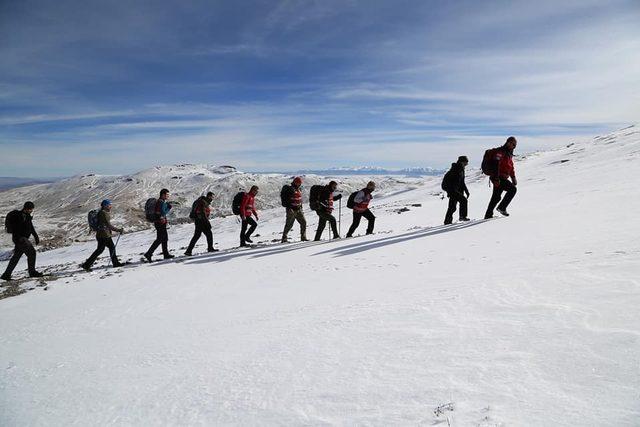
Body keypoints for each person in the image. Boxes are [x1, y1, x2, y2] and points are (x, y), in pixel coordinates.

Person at [1, 201, 42, 281]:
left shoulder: (27, 216)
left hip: (21, 239)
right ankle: (32, 272)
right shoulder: (20, 216)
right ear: (26, 208)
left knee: (16, 257)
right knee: (32, 253)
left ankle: (6, 275)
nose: (31, 210)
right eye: (30, 209)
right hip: (21, 239)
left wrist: (36, 236)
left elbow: (31, 227)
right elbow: (16, 229)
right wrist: (19, 238)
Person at [81, 199, 125, 271]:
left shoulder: (102, 212)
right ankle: (86, 265)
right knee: (101, 250)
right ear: (105, 205)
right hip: (104, 235)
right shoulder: (103, 213)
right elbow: (108, 225)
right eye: (109, 205)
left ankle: (115, 263)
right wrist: (118, 230)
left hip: (102, 234)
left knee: (108, 248)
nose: (111, 206)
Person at [485, 137, 518, 219]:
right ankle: (502, 207)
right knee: (512, 189)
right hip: (498, 177)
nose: (513, 146)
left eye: (514, 145)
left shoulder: (508, 154)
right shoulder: (500, 152)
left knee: (496, 197)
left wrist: (513, 177)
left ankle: (488, 215)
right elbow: (496, 164)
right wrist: (496, 178)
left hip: (501, 177)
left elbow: (510, 167)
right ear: (507, 142)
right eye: (511, 143)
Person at [144, 188, 173, 262]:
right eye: (167, 194)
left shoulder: (161, 201)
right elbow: (163, 212)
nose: (168, 196)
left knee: (164, 238)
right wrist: (169, 208)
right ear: (163, 195)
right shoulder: (161, 202)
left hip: (159, 222)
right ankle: (149, 253)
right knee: (160, 239)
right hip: (160, 223)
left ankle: (166, 254)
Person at [442, 156, 471, 224]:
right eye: (466, 162)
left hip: (455, 190)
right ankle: (462, 216)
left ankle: (447, 221)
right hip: (452, 190)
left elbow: (462, 182)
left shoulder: (461, 169)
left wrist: (466, 191)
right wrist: (450, 192)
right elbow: (453, 182)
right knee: (463, 200)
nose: (467, 164)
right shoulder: (456, 169)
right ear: (461, 162)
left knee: (452, 207)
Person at [281, 177, 308, 243]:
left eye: (300, 183)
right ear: (295, 182)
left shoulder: (298, 189)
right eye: (299, 183)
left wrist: (301, 208)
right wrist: (289, 208)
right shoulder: (291, 189)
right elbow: (287, 200)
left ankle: (303, 237)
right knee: (289, 224)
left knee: (303, 222)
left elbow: (299, 199)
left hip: (298, 209)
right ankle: (284, 238)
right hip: (292, 209)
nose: (300, 184)